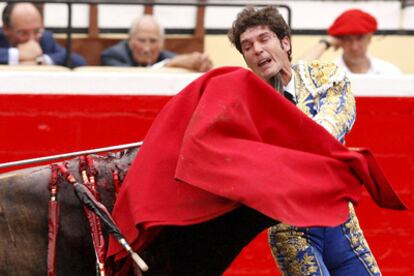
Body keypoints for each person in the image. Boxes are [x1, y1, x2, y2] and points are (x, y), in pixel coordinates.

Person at [227, 6, 381, 275]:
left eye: (264, 39)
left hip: (341, 222)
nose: (257, 50)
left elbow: (332, 125)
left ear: (285, 42)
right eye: (248, 46)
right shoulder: (247, 107)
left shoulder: (323, 76)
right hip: (291, 230)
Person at [300, 9, 401, 75]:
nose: (354, 46)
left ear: (369, 38)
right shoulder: (330, 73)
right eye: (348, 39)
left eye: (360, 38)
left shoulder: (388, 71)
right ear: (339, 41)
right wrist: (326, 42)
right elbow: (298, 70)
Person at [101, 15, 213, 72]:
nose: (146, 48)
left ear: (161, 44)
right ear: (130, 41)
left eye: (153, 41)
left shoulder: (167, 57)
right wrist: (168, 65)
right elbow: (136, 77)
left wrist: (199, 64)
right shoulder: (112, 56)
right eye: (141, 40)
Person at [0, 2, 86, 68]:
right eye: (23, 33)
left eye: (36, 31)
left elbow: (78, 61)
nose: (32, 39)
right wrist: (17, 54)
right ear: (6, 29)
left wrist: (41, 61)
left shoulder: (45, 38)